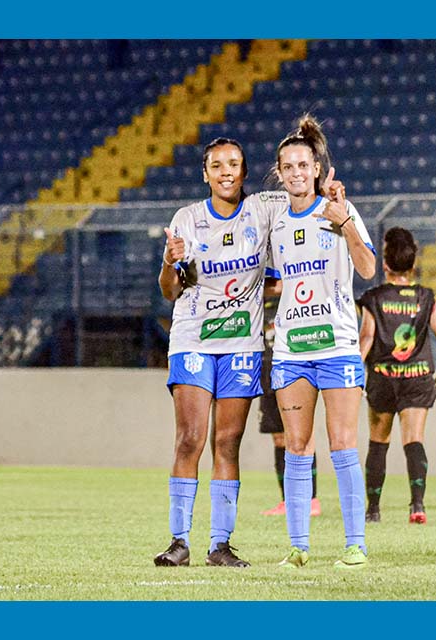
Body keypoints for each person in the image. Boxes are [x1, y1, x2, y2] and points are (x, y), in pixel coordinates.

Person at [154, 137, 288, 567]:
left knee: (227, 442)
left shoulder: (262, 211)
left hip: (242, 345)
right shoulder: (187, 220)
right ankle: (178, 541)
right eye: (217, 165)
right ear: (205, 174)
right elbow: (171, 290)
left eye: (234, 163)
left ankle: (220, 545)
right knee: (190, 438)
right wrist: (169, 264)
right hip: (192, 339)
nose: (226, 171)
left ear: (245, 171)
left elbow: (300, 198)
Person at [266, 115, 376, 569]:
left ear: (316, 168)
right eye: (287, 166)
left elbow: (368, 269)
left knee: (344, 444)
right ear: (279, 173)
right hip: (292, 351)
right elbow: (272, 280)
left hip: (338, 348)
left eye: (302, 165)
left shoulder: (338, 211)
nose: (295, 173)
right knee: (296, 447)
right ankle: (298, 549)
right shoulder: (273, 221)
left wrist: (345, 222)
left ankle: (355, 545)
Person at [357, 227, 436, 524]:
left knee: (378, 441)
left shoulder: (374, 297)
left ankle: (373, 510)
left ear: (385, 264)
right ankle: (417, 506)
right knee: (413, 439)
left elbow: (366, 338)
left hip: (383, 377)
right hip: (417, 377)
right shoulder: (426, 297)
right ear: (413, 264)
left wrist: (356, 374)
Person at [258, 293, 321, 518]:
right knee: (278, 437)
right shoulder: (258, 300)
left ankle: (311, 498)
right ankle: (286, 500)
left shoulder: (296, 294)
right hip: (267, 370)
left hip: (294, 366)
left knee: (301, 434)